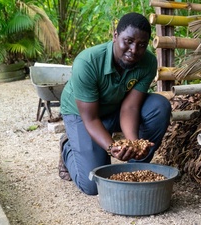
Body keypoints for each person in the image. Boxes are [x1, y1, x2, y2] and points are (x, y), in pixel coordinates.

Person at [58, 12, 171, 195]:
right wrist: (112, 147)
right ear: (115, 36)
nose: (134, 50)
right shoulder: (87, 62)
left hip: (116, 107)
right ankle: (68, 146)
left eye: (141, 45)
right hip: (83, 115)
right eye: (128, 41)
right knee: (93, 184)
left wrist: (133, 144)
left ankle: (136, 168)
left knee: (159, 106)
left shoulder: (148, 62)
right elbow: (91, 118)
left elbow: (131, 107)